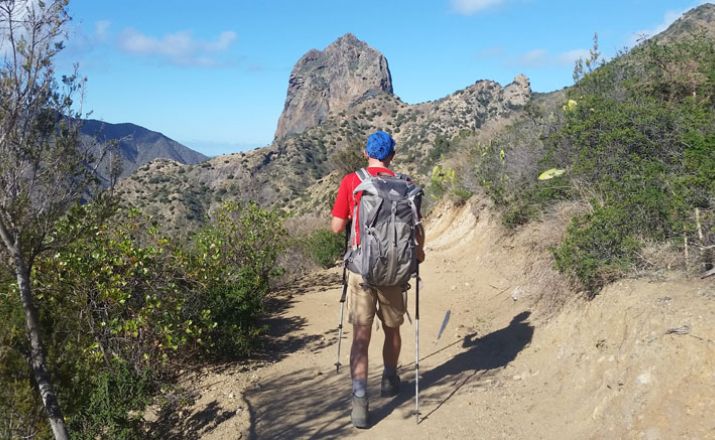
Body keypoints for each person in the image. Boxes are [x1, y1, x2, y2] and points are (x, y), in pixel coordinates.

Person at [330, 130, 425, 429]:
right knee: (392, 330)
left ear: (365, 152)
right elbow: (417, 232)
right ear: (392, 156)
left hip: (362, 270)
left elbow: (336, 228)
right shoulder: (406, 186)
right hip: (396, 272)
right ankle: (389, 379)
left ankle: (359, 403)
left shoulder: (352, 181)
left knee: (361, 336)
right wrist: (418, 254)